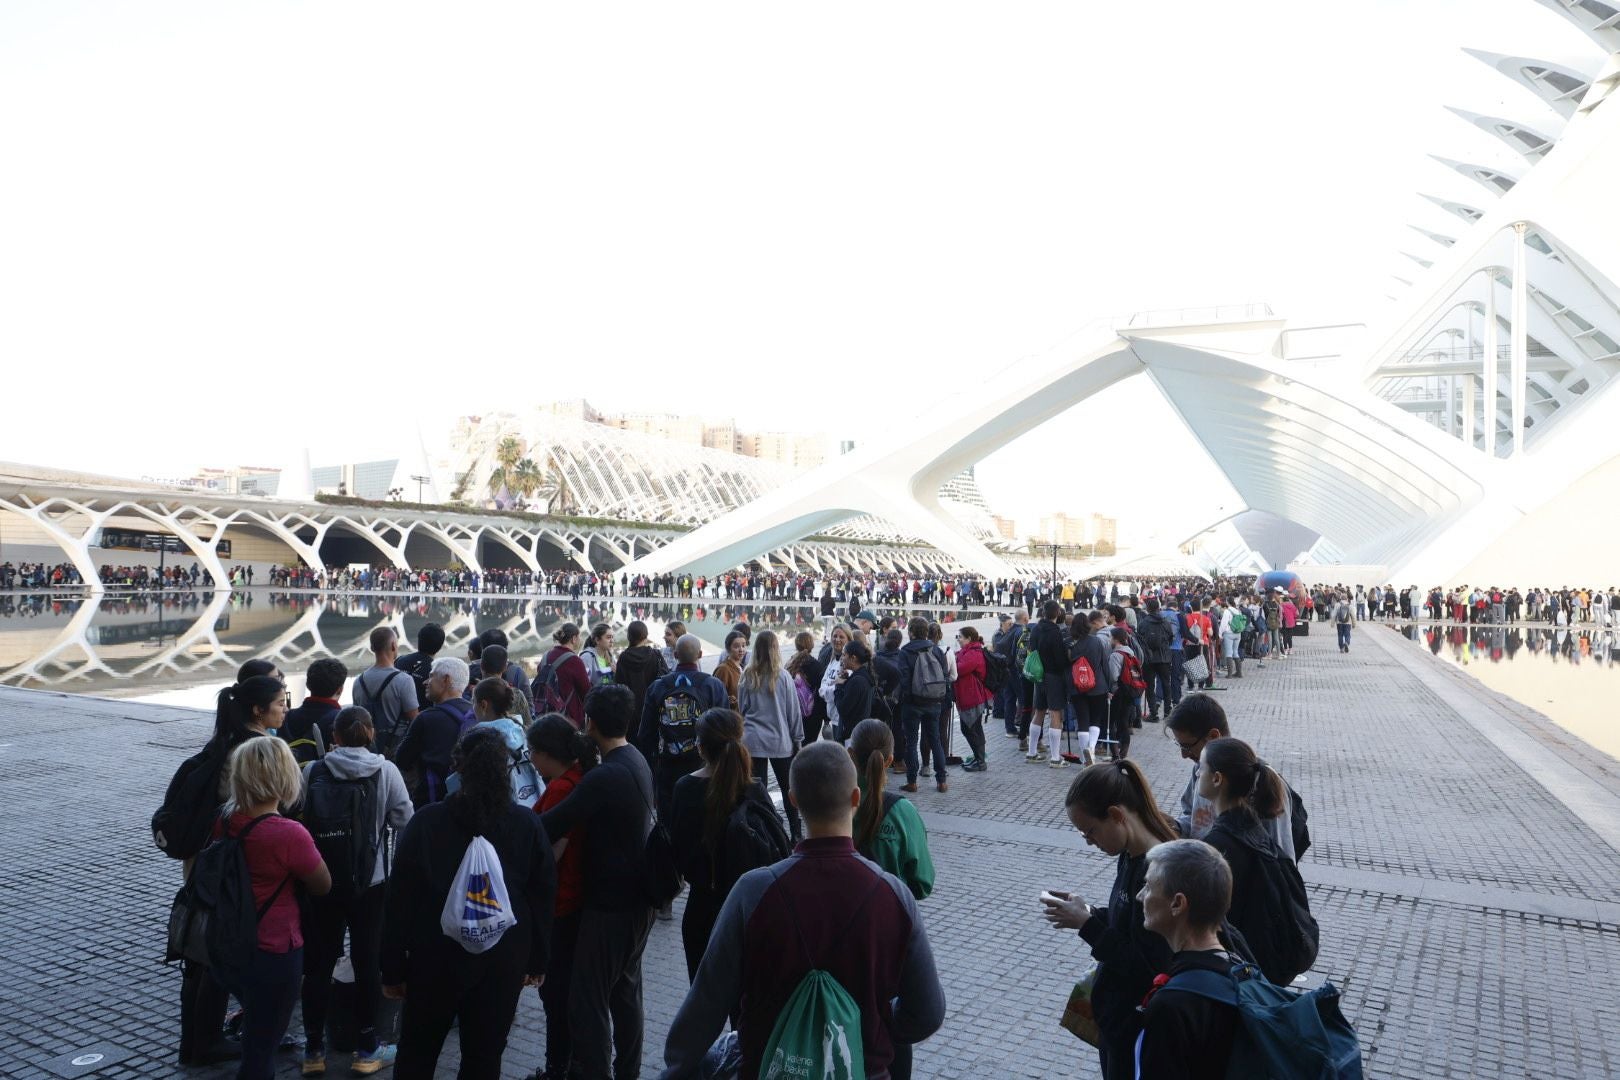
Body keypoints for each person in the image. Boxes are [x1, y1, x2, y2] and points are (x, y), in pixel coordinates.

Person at [658, 742, 946, 1080]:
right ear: (855, 798)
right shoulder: (894, 896)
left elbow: (706, 1002)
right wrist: (880, 1022)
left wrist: (677, 1067)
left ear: (793, 800)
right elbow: (927, 1012)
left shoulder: (753, 891)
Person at [381, 726, 557, 1080]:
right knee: (484, 1055)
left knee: (418, 1051)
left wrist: (392, 968)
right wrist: (538, 958)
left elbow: (399, 898)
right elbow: (542, 894)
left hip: (434, 957)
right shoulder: (526, 823)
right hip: (503, 957)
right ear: (506, 771)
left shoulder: (427, 822)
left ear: (457, 767)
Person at [537, 685, 657, 1080]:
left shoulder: (605, 776)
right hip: (638, 901)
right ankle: (627, 1072)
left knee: (585, 1002)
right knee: (625, 994)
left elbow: (551, 824)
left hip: (609, 906)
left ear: (589, 723)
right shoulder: (635, 758)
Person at [1039, 761, 1178, 1080]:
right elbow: (1127, 923)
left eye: (1091, 831)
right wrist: (1085, 910)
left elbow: (1149, 970)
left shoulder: (1157, 873)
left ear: (1116, 815)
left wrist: (1087, 926)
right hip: (1118, 1025)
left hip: (1136, 1027)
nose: (1088, 841)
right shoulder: (1130, 855)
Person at [176, 673, 288, 1068]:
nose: (285, 708)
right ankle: (206, 1043)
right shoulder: (258, 748)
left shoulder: (223, 739)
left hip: (206, 863)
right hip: (229, 868)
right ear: (258, 710)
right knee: (218, 955)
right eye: (279, 702)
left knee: (201, 955)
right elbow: (263, 805)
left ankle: (194, 1041)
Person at [298, 707, 413, 1077]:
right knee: (367, 963)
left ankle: (313, 1049)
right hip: (371, 882)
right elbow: (403, 820)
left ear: (336, 736)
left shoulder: (312, 771)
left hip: (321, 880)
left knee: (318, 963)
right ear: (370, 733)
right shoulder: (386, 771)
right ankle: (367, 1048)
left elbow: (299, 818)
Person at [218, 736, 333, 1080]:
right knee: (261, 1050)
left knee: (256, 1027)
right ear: (284, 777)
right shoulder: (288, 834)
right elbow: (322, 884)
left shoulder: (224, 821)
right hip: (274, 949)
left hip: (228, 945)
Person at [847, 719, 935, 1080]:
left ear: (850, 755)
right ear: (891, 759)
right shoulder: (902, 811)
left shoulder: (839, 803)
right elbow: (923, 881)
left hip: (842, 933)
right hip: (892, 936)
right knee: (892, 1019)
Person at [666, 708, 784, 978]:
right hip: (748, 907)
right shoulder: (754, 788)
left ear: (700, 748)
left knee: (703, 1003)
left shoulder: (685, 788)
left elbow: (679, 853)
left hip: (702, 909)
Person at [1198, 738, 1319, 986]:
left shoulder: (1218, 845)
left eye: (1201, 767)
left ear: (1217, 778)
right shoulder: (1253, 827)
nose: (1198, 773)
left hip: (1243, 971)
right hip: (1266, 962)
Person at [526, 714, 601, 1080]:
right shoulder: (575, 777)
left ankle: (559, 1066)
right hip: (572, 898)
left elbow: (553, 849)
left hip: (560, 902)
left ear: (544, 754)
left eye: (531, 754)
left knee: (555, 994)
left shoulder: (561, 789)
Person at [1134, 840, 1240, 1079]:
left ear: (1177, 903)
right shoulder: (1241, 971)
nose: (1141, 896)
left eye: (1149, 886)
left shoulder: (1172, 1005)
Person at [1165, 694, 1303, 861]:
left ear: (1213, 736)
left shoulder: (1257, 781)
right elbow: (1192, 815)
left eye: (1187, 746)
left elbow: (1281, 856)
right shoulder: (1200, 770)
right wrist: (1177, 826)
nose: (1183, 755)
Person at [738, 629, 804, 842]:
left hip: (753, 739)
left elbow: (742, 709)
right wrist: (798, 739)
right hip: (779, 740)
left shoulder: (747, 675)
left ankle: (763, 832)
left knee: (758, 790)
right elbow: (793, 711)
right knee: (788, 788)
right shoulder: (783, 676)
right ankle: (795, 832)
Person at [395, 656, 476, 807]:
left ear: (446, 680)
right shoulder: (476, 713)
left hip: (433, 802)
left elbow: (402, 759)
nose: (425, 682)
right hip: (469, 799)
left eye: (431, 676)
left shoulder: (426, 719)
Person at [896, 617, 951, 793]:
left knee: (911, 742)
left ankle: (912, 782)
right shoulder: (936, 650)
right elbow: (944, 673)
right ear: (926, 632)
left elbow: (903, 678)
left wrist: (905, 698)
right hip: (934, 701)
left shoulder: (905, 652)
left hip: (912, 703)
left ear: (910, 632)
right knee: (935, 740)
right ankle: (941, 781)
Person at [471, 677, 542, 805]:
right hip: (535, 804)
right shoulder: (522, 731)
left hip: (502, 811)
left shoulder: (478, 740)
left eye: (473, 703)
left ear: (483, 705)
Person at [352, 627, 419, 757]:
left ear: (372, 648)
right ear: (393, 645)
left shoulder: (358, 682)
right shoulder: (404, 680)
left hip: (366, 750)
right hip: (396, 750)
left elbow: (356, 716)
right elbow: (415, 720)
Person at [1026, 602, 1071, 768]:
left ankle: (1031, 752)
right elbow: (1060, 659)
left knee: (1038, 711)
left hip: (1039, 675)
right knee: (1055, 714)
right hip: (1054, 676)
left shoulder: (1036, 629)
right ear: (1058, 613)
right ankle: (1055, 757)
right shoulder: (1055, 632)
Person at [280, 657, 347, 764]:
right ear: (340, 689)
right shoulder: (343, 721)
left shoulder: (286, 718)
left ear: (307, 685)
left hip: (291, 778)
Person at [1069, 610, 1114, 767]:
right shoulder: (1096, 642)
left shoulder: (1070, 643)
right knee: (1095, 720)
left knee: (1082, 720)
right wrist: (1110, 686)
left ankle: (1083, 756)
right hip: (1098, 686)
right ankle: (1092, 749)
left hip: (1077, 687)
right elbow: (1105, 665)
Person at [534, 623, 592, 727]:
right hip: (570, 718)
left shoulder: (545, 657)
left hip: (546, 715)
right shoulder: (575, 660)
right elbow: (586, 692)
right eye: (579, 637)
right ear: (574, 639)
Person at [952, 626, 992, 772]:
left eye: (960, 637)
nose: (958, 639)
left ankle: (981, 761)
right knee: (972, 728)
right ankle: (978, 758)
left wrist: (952, 662)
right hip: (968, 696)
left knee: (971, 729)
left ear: (969, 638)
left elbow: (958, 669)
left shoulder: (974, 653)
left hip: (973, 697)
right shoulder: (968, 651)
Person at [614, 620, 668, 726]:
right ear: (645, 635)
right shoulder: (655, 655)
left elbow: (619, 685)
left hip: (630, 710)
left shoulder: (624, 657)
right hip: (652, 709)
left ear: (629, 636)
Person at [788, 629, 828, 746]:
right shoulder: (817, 666)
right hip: (812, 716)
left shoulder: (790, 664)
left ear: (796, 645)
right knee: (808, 748)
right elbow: (821, 695)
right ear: (811, 645)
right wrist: (825, 718)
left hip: (794, 713)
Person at [832, 638, 877, 741]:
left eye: (844, 655)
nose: (842, 658)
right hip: (860, 730)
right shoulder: (863, 674)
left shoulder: (857, 681)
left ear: (853, 658)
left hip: (852, 734)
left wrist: (838, 686)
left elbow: (842, 709)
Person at [394, 622, 444, 710]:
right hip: (422, 718)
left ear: (419, 640)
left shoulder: (399, 661)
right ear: (440, 646)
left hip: (395, 715)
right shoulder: (437, 671)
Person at [714, 630, 746, 710]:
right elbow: (717, 697)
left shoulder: (742, 668)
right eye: (736, 646)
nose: (741, 649)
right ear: (728, 649)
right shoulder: (723, 669)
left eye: (743, 645)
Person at [581, 623, 616, 687]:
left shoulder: (610, 656)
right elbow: (583, 684)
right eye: (608, 637)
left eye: (612, 637)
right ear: (597, 640)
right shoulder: (587, 657)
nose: (612, 641)